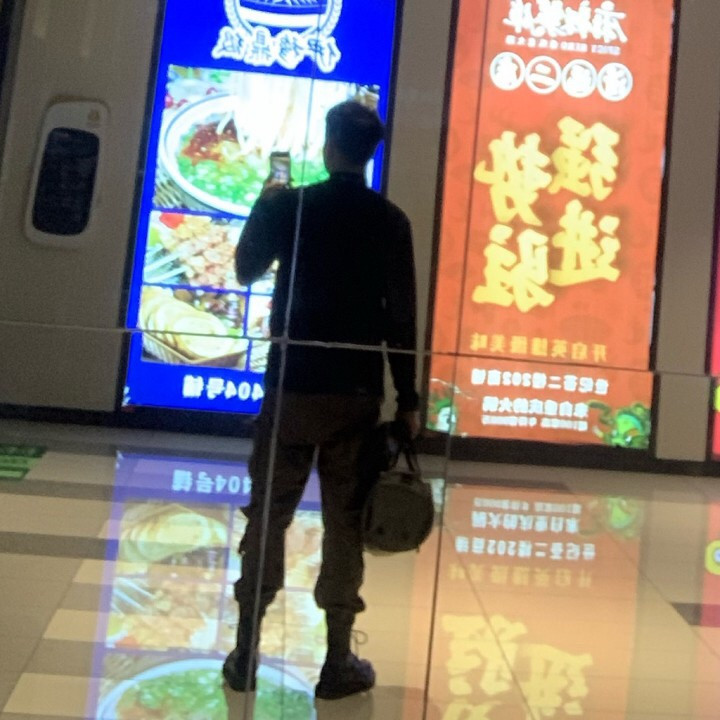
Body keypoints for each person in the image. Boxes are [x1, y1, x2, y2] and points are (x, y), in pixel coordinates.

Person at [223, 100, 420, 701]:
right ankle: (336, 662)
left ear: (328, 146)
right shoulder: (390, 221)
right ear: (370, 153)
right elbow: (401, 318)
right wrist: (409, 398)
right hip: (354, 396)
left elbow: (245, 269)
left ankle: (245, 650)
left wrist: (264, 202)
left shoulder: (290, 205)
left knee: (269, 514)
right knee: (344, 525)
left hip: (290, 389)